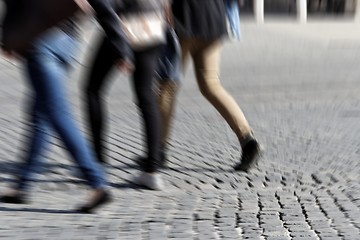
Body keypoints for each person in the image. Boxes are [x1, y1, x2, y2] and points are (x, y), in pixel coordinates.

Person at [0, 0, 133, 213]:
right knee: (40, 114)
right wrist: (121, 47)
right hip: (69, 44)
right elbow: (103, 5)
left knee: (57, 114)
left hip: (40, 42)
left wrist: (8, 39)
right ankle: (22, 186)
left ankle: (97, 184)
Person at [158, 0, 262, 171]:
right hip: (213, 19)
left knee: (167, 87)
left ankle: (158, 150)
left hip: (183, 17)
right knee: (211, 85)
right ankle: (247, 139)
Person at [83, 0, 169, 190]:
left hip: (123, 26)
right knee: (146, 96)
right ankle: (152, 171)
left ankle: (97, 161)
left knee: (92, 89)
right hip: (153, 24)